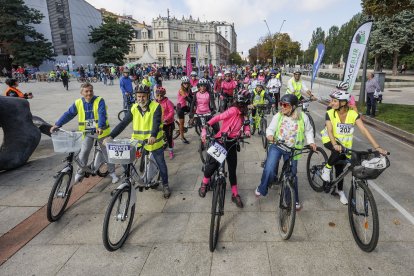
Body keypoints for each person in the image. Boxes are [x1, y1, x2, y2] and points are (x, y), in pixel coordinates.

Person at [320, 89, 388, 205]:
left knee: (340, 168)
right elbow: (330, 131)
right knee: (337, 153)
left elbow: (363, 130)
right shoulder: (330, 112)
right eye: (332, 100)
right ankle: (326, 169)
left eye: (335, 101)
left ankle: (339, 191)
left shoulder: (353, 114)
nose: (332, 103)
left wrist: (377, 147)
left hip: (344, 144)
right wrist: (335, 144)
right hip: (329, 139)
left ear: (343, 103)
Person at [105, 84, 171, 198]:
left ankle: (165, 185)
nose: (141, 99)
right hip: (137, 141)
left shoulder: (156, 107)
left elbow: (156, 123)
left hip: (154, 141)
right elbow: (123, 123)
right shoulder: (134, 107)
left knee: (161, 164)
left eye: (143, 96)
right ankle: (134, 178)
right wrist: (111, 136)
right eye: (139, 96)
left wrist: (153, 135)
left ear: (148, 96)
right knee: (125, 159)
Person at [255, 94, 316, 210]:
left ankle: (292, 199)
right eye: (281, 104)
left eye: (285, 105)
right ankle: (262, 187)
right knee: (269, 168)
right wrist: (270, 135)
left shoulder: (303, 117)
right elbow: (270, 129)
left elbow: (309, 131)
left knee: (292, 175)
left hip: (294, 149)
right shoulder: (278, 116)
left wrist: (311, 142)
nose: (282, 107)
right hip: (278, 146)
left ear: (293, 107)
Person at [50, 83, 118, 184]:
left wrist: (100, 126)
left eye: (91, 90)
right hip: (87, 133)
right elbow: (69, 114)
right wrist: (58, 124)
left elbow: (101, 114)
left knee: (108, 153)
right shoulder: (78, 103)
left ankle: (112, 173)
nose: (89, 93)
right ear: (81, 92)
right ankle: (80, 172)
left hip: (102, 132)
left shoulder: (99, 100)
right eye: (86, 91)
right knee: (84, 152)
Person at [199, 90, 251, 208]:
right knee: (212, 166)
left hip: (232, 142)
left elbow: (246, 124)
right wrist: (206, 126)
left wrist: (247, 131)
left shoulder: (244, 114)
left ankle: (235, 194)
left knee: (232, 170)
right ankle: (204, 183)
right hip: (221, 140)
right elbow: (218, 117)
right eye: (240, 105)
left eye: (244, 105)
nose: (242, 107)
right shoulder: (232, 110)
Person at [155, 86, 175, 159]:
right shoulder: (154, 102)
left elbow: (171, 112)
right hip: (159, 123)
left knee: (169, 137)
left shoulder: (168, 102)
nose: (159, 97)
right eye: (157, 95)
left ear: (164, 95)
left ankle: (171, 151)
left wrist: (166, 119)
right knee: (158, 137)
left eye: (161, 95)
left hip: (168, 123)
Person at [176, 76, 193, 144]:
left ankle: (190, 123)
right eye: (184, 83)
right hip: (180, 108)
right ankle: (182, 137)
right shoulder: (181, 90)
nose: (186, 84)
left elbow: (192, 97)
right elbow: (188, 99)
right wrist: (193, 102)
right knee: (181, 123)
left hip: (184, 106)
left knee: (195, 111)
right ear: (182, 84)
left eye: (187, 83)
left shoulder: (188, 89)